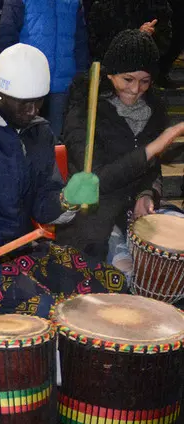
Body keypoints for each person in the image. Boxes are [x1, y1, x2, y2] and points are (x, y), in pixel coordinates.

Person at [0, 43, 126, 318]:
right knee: (49, 309)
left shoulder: (39, 133)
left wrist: (67, 200)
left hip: (25, 247)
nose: (32, 110)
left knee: (110, 285)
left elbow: (42, 206)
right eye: (24, 103)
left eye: (39, 101)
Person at [58, 30, 184, 261]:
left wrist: (147, 193)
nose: (136, 90)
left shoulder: (154, 109)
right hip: (93, 217)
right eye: (128, 79)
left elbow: (152, 170)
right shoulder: (84, 112)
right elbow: (96, 180)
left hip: (130, 211)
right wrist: (150, 150)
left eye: (145, 81)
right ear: (110, 75)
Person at [0, 0, 90, 139]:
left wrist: (81, 78)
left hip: (63, 87)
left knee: (55, 142)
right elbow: (6, 37)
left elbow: (81, 43)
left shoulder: (74, 2)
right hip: (26, 87)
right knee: (23, 139)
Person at [86, 0, 172, 64]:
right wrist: (135, 38)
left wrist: (148, 36)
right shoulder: (102, 5)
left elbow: (165, 37)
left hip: (146, 66)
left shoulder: (157, 4)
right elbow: (95, 44)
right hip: (110, 67)